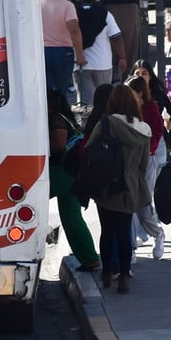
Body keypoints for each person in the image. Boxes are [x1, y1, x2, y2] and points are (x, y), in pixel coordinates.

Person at [87, 85, 151, 294]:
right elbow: (143, 164)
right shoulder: (143, 129)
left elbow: (89, 150)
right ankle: (124, 274)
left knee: (107, 231)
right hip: (129, 186)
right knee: (124, 232)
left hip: (105, 185)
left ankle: (107, 271)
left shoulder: (106, 124)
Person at [47, 89, 100, 271]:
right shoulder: (63, 117)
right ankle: (89, 258)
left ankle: (90, 257)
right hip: (72, 173)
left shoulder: (56, 120)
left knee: (29, 197)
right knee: (71, 218)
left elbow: (59, 145)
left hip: (61, 173)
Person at [126, 73, 166, 260]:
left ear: (140, 93)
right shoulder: (128, 109)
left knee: (143, 203)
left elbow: (156, 133)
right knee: (128, 203)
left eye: (131, 93)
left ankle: (157, 234)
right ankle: (131, 247)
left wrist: (146, 149)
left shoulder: (151, 108)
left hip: (146, 159)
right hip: (129, 161)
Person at [76, 0, 127, 107]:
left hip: (80, 63)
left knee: (85, 104)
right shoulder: (105, 14)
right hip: (102, 64)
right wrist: (122, 57)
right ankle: (105, 125)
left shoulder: (73, 13)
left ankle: (87, 125)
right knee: (105, 102)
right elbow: (116, 37)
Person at [40, 0, 86, 104]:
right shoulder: (67, 6)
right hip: (63, 51)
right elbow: (74, 30)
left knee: (46, 91)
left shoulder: (36, 4)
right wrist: (80, 54)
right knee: (61, 92)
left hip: (42, 51)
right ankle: (61, 117)